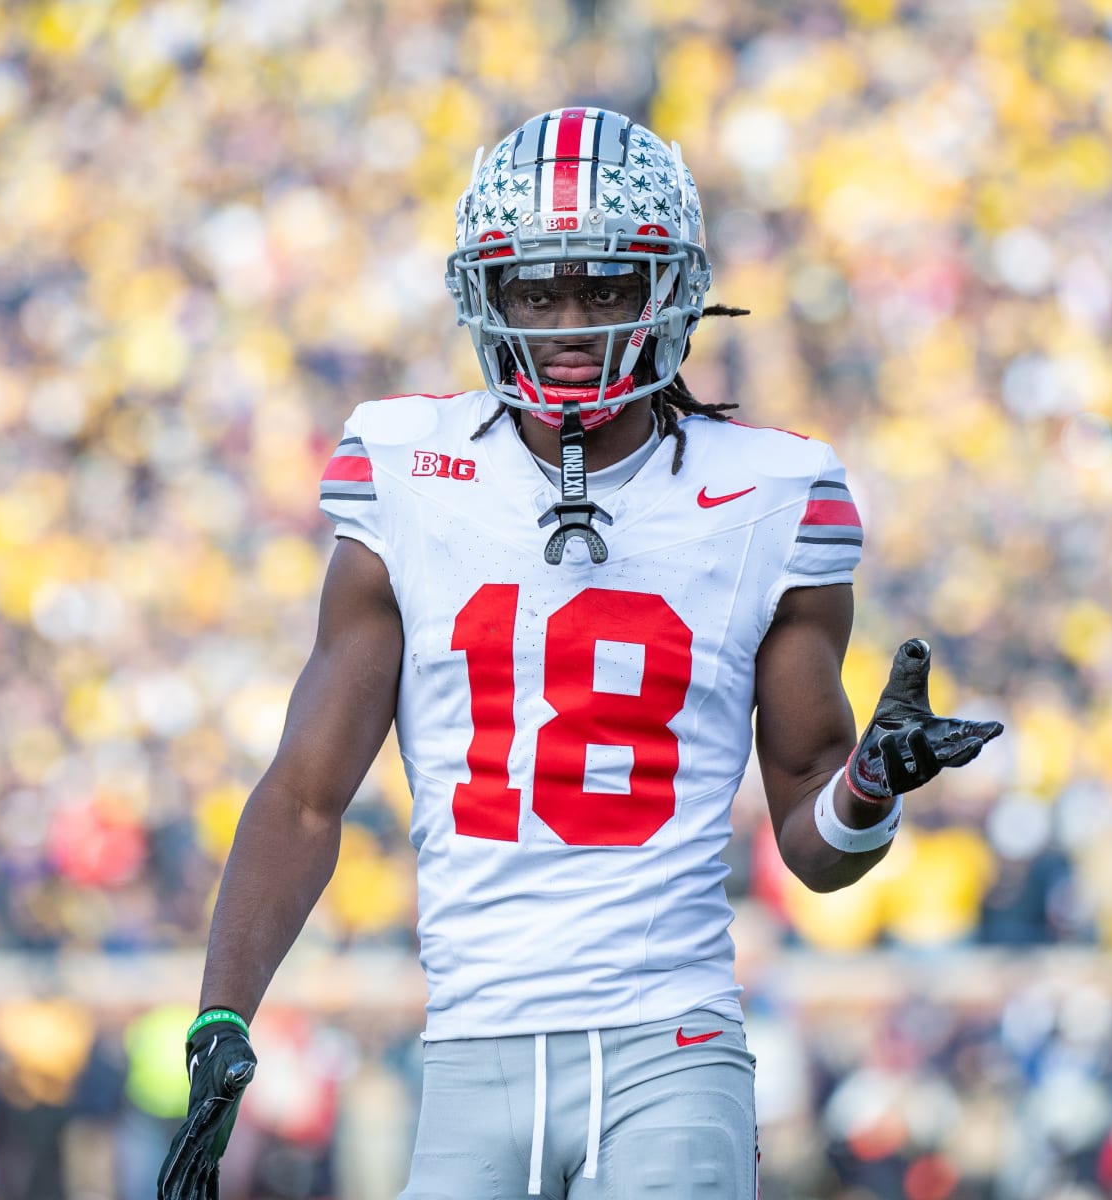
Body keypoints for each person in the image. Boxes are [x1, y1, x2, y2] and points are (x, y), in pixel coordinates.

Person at [157, 107, 1002, 1200]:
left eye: (604, 289)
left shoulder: (770, 496)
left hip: (673, 1045)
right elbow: (306, 795)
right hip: (470, 1047)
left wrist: (872, 786)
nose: (568, 323)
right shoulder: (409, 472)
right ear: (484, 294)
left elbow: (813, 843)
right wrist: (222, 1011)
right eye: (536, 290)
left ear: (671, 291)